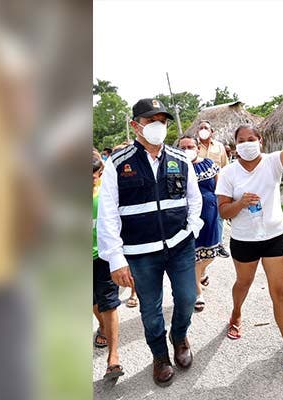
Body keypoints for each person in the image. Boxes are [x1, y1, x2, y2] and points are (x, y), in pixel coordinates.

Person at [97, 98, 203, 387]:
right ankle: (159, 356)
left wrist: (192, 229)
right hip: (140, 253)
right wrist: (116, 258)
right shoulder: (118, 163)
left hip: (180, 246)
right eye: (151, 121)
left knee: (187, 298)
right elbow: (108, 213)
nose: (158, 126)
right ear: (136, 126)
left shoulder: (180, 158)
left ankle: (179, 337)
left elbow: (194, 199)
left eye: (162, 121)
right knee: (151, 311)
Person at [215, 110, 283, 379]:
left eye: (251, 139)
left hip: (273, 237)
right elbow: (223, 211)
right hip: (244, 240)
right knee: (243, 283)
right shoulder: (228, 173)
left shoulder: (272, 163)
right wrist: (240, 203)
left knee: (280, 293)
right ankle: (236, 313)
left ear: (260, 141)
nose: (247, 144)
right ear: (235, 146)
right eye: (241, 141)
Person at [92, 151, 124, 381]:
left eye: (93, 176)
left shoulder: (106, 193)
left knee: (109, 303)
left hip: (104, 257)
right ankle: (102, 326)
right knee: (93, 302)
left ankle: (113, 358)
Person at [178, 136, 220, 312]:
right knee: (194, 256)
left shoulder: (210, 164)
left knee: (211, 254)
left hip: (211, 215)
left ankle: (201, 273)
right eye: (183, 147)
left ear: (198, 147)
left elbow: (220, 188)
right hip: (189, 218)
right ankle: (198, 293)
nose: (187, 149)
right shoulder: (176, 167)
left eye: (190, 146)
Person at [109, 143, 139, 309]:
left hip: (132, 228)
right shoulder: (109, 176)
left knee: (133, 263)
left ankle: (134, 292)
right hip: (115, 227)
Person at [197, 120, 231, 259]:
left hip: (218, 185)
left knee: (219, 216)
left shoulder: (219, 146)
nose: (203, 130)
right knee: (201, 215)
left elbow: (225, 166)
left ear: (212, 131)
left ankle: (219, 244)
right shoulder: (194, 146)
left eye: (206, 128)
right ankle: (202, 244)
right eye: (201, 128)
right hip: (200, 186)